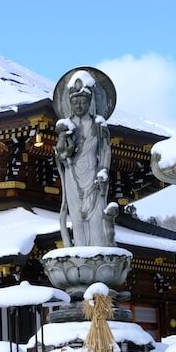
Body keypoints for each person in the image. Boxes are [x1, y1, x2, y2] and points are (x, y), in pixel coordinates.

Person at [55, 76, 112, 247]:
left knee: (96, 220)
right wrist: (64, 147)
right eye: (75, 102)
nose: (79, 105)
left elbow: (105, 151)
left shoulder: (98, 126)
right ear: (70, 104)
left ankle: (98, 254)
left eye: (83, 101)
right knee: (77, 220)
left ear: (90, 102)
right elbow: (60, 153)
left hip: (93, 176)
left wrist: (104, 171)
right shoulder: (67, 127)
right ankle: (80, 253)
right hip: (72, 177)